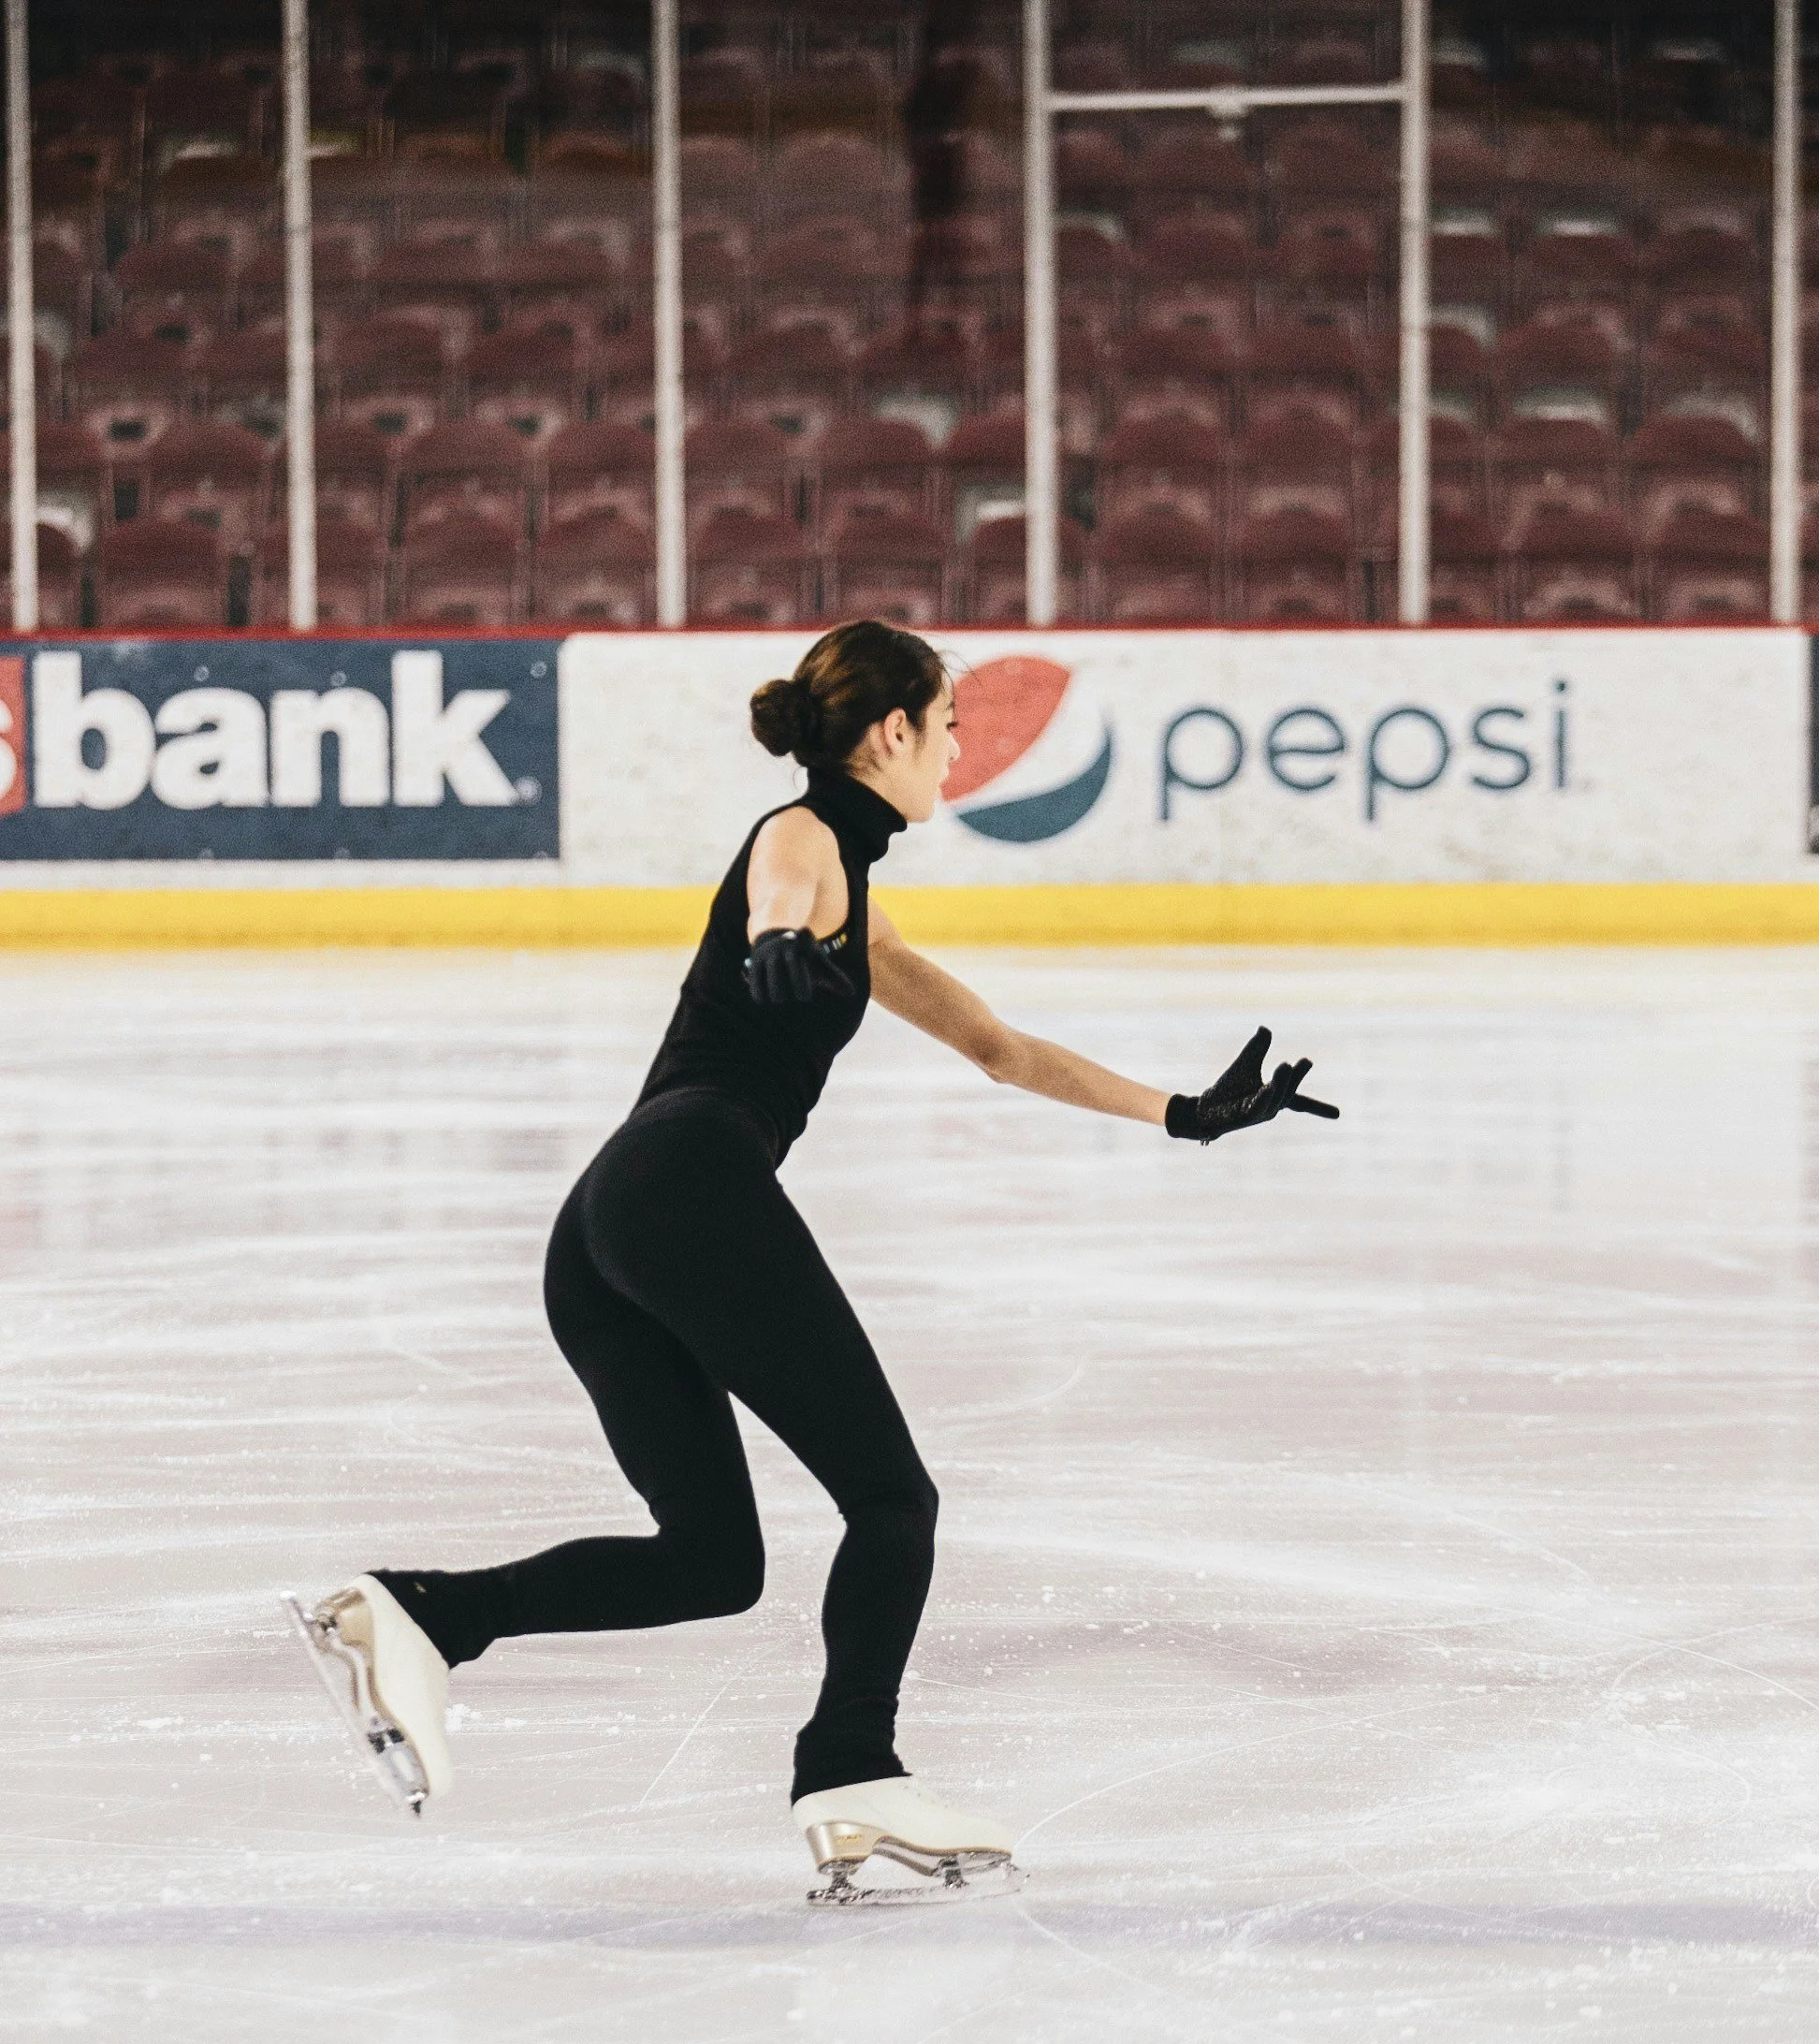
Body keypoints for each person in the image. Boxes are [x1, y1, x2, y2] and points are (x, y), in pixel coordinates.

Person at [288, 620, 1337, 1899]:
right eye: (947, 725)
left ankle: (428, 1612)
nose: (957, 751)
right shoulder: (806, 839)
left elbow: (997, 1049)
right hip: (684, 1188)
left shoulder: (864, 900)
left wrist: (1178, 1112)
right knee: (893, 1503)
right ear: (889, 732)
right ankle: (853, 1766)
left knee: (713, 1564)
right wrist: (778, 946)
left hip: (612, 1224)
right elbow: (780, 889)